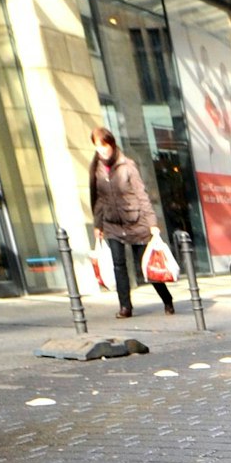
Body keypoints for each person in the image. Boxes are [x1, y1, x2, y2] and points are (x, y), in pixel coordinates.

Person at [90, 128, 172, 319]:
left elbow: (141, 194)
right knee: (119, 265)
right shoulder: (96, 169)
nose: (101, 150)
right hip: (112, 223)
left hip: (135, 220)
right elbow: (98, 199)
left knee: (146, 264)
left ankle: (166, 299)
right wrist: (98, 225)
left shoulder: (127, 165)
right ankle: (125, 307)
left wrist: (152, 222)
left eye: (104, 145)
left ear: (111, 144)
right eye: (97, 146)